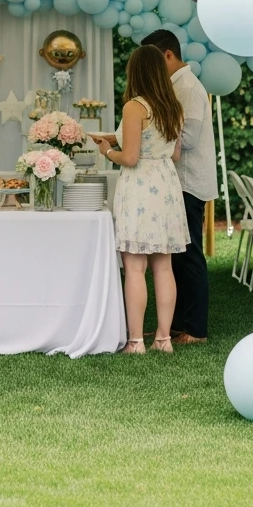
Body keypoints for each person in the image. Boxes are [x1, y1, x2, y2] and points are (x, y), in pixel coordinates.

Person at [97, 44, 187, 355]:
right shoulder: (172, 107)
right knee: (164, 267)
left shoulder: (135, 107)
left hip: (139, 188)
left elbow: (131, 157)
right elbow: (173, 153)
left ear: (136, 72)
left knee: (135, 267)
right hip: (166, 185)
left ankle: (135, 341)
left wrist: (108, 150)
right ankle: (163, 339)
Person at [140, 28, 218, 344]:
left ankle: (196, 329)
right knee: (176, 255)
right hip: (175, 181)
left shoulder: (188, 90)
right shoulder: (175, 86)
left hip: (188, 181)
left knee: (189, 255)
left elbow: (186, 139)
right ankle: (178, 323)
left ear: (168, 55)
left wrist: (146, 138)